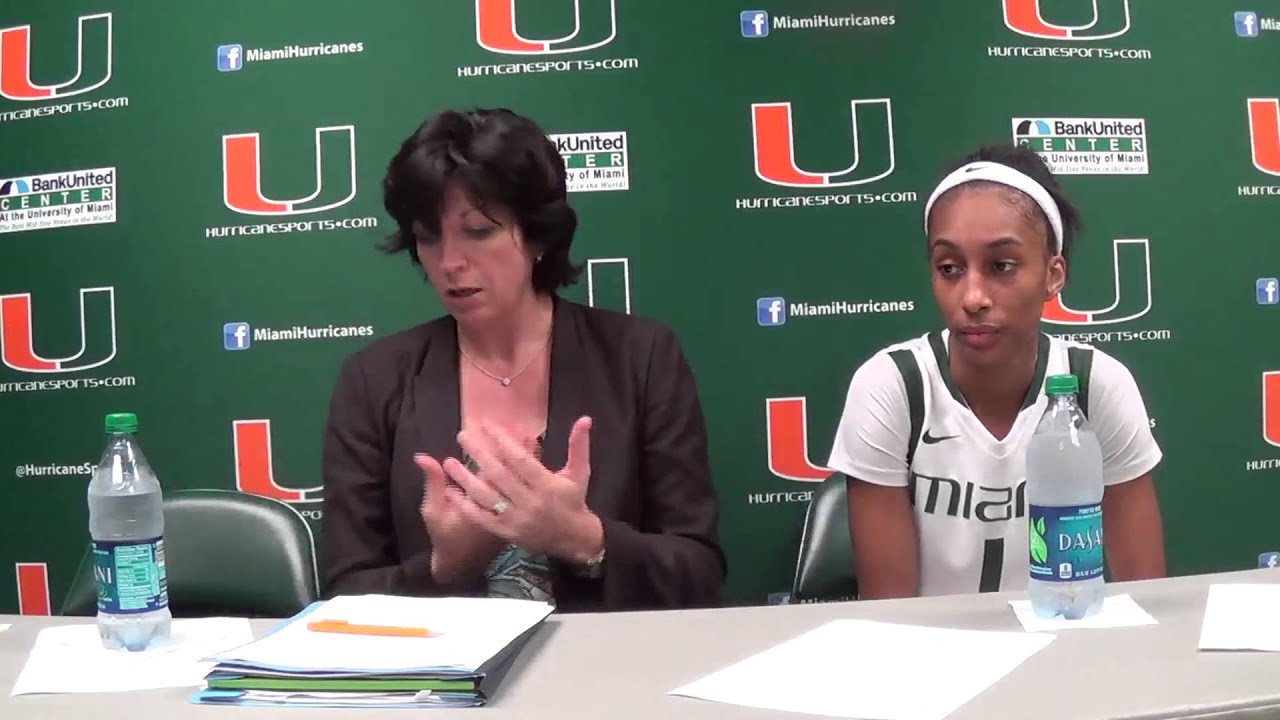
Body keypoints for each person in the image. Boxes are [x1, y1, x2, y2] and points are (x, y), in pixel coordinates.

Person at [320, 107, 725, 612]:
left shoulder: (640, 357)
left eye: (479, 231)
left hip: (609, 673)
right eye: (428, 236)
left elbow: (699, 572)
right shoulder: (375, 378)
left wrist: (585, 539)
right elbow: (344, 596)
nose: (450, 262)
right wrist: (445, 566)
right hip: (439, 680)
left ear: (537, 234)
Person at [826, 143, 1166, 599]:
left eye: (1001, 266)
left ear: (1053, 274)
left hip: (1072, 653)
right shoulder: (891, 386)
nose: (972, 297)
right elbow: (892, 615)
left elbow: (1144, 596)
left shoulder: (1096, 384)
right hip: (934, 657)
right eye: (949, 268)